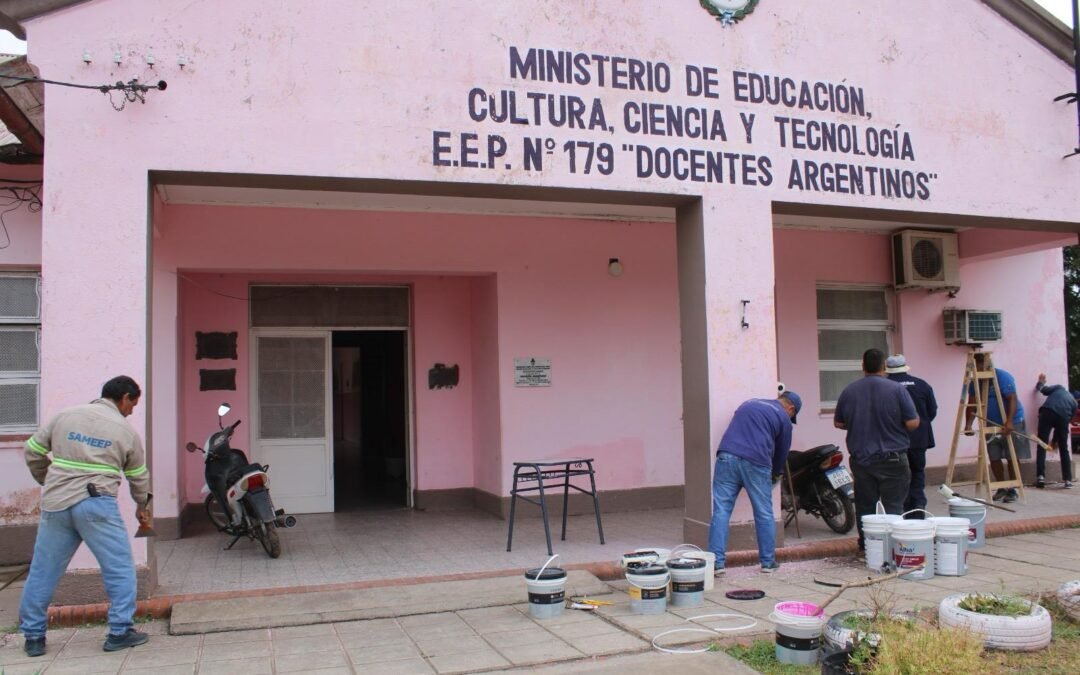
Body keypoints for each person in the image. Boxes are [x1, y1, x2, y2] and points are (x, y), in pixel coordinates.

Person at [19, 376, 153, 657]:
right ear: (125, 397)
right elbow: (138, 477)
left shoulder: (65, 416)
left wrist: (48, 480)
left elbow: (33, 450)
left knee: (43, 571)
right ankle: (119, 631)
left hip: (56, 503)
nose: (131, 411)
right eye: (133, 405)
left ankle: (33, 637)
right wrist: (143, 505)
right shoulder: (124, 431)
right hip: (96, 505)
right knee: (119, 568)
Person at [708, 390, 802, 576]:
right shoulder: (783, 418)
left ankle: (717, 563)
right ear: (790, 409)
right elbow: (782, 454)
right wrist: (775, 475)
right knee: (764, 512)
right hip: (756, 462)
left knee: (721, 510)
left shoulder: (749, 403)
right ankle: (768, 562)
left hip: (726, 456)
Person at [834, 349, 919, 554]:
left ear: (863, 367)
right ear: (884, 367)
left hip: (862, 460)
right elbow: (912, 422)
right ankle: (893, 550)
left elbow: (839, 422)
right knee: (894, 507)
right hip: (893, 458)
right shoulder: (897, 390)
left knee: (865, 507)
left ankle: (868, 547)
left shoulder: (849, 391)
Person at [963, 353, 1028, 503]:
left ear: (984, 365)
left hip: (1012, 422)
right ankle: (1001, 488)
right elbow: (971, 404)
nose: (976, 370)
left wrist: (1010, 421)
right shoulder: (975, 382)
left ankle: (1012, 489)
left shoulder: (1002, 377)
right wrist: (968, 424)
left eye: (977, 366)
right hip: (990, 424)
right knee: (994, 456)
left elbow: (1012, 398)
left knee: (1012, 456)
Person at [885, 354, 938, 519]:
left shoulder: (885, 386)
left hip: (893, 441)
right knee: (917, 472)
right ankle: (918, 505)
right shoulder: (922, 385)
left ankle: (903, 508)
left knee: (897, 475)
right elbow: (932, 411)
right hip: (919, 439)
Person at [1034, 374, 1075, 489]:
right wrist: (1055, 440)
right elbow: (1066, 421)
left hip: (1047, 413)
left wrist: (1040, 383)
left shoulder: (1059, 388)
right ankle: (1068, 480)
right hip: (1063, 418)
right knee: (1064, 448)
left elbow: (1043, 390)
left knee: (1042, 444)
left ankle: (1040, 477)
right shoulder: (1073, 403)